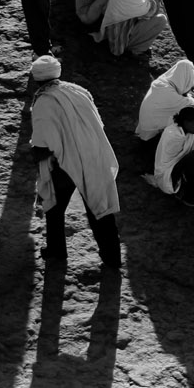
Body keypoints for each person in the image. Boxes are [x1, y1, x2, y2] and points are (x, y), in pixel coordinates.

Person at [27, 55, 121, 270]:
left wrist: (37, 157)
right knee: (100, 208)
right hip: (94, 155)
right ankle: (113, 259)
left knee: (54, 206)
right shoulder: (78, 90)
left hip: (64, 164)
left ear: (35, 78)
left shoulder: (43, 102)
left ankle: (56, 251)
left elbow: (42, 144)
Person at [138, 59, 194, 141]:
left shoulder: (162, 82)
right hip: (151, 133)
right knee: (188, 116)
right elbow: (192, 106)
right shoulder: (170, 94)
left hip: (145, 126)